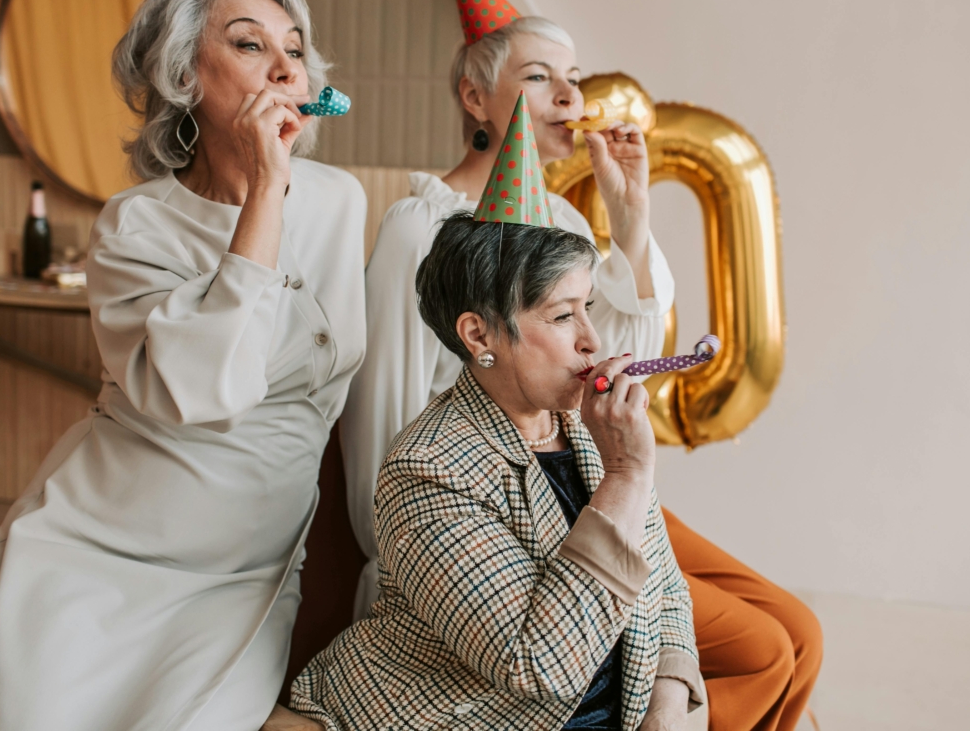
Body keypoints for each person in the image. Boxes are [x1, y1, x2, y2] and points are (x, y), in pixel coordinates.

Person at [338, 0, 821, 731]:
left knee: (796, 632)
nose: (570, 94)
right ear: (474, 95)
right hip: (482, 508)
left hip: (581, 458)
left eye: (573, 76)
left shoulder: (562, 220)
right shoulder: (420, 228)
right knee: (763, 649)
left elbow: (611, 353)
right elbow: (385, 419)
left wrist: (629, 219)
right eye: (540, 77)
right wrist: (421, 551)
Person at [0, 0, 365, 731]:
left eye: (296, 52)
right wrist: (267, 193)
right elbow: (210, 389)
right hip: (103, 552)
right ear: (183, 78)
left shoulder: (340, 202)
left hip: (245, 570)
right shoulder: (136, 227)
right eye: (248, 44)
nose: (283, 69)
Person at [293, 202, 706, 731]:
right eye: (562, 315)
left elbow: (664, 590)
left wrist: (666, 710)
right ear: (479, 336)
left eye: (589, 307)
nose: (593, 339)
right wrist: (628, 475)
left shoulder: (587, 427)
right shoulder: (427, 469)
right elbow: (538, 665)